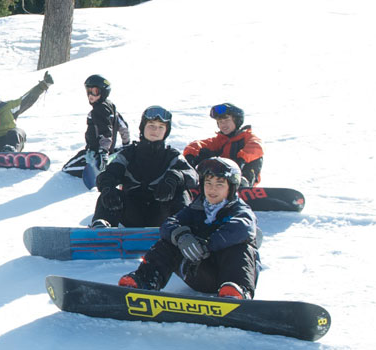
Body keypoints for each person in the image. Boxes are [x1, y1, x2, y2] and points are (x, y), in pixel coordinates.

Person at [118, 157, 260, 300]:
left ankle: (238, 291)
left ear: (231, 187)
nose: (212, 189)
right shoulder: (196, 208)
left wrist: (207, 244)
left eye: (219, 184)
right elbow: (169, 224)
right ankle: (144, 280)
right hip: (200, 273)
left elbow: (242, 228)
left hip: (227, 274)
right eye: (208, 183)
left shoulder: (239, 210)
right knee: (168, 243)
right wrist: (181, 237)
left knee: (241, 247)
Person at [91, 106, 198, 229]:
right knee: (108, 192)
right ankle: (100, 232)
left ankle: (184, 229)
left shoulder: (172, 156)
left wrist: (176, 177)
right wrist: (107, 187)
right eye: (151, 125)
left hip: (162, 214)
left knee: (181, 192)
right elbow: (109, 173)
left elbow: (193, 176)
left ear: (166, 132)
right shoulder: (128, 154)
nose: (155, 130)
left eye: (160, 127)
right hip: (132, 212)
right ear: (143, 128)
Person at [62, 74, 130, 178]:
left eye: (94, 91)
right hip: (106, 151)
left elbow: (105, 132)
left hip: (95, 153)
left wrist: (102, 152)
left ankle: (99, 167)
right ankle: (109, 160)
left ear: (103, 92)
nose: (90, 95)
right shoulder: (110, 106)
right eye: (88, 91)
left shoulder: (98, 110)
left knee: (67, 168)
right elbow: (123, 126)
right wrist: (126, 143)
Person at [183, 103, 264, 186]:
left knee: (255, 156)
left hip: (239, 176)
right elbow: (196, 145)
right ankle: (197, 181)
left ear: (236, 121)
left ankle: (244, 183)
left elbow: (256, 146)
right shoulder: (219, 141)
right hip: (220, 181)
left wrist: (241, 159)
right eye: (220, 122)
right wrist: (190, 155)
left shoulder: (247, 137)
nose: (223, 124)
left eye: (226, 120)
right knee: (203, 152)